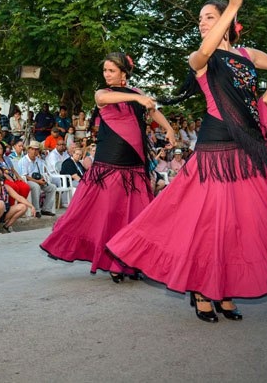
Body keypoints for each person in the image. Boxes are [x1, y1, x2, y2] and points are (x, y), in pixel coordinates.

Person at [106, 0, 267, 322]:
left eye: (209, 17)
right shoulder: (200, 58)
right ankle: (202, 290)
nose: (202, 23)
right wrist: (233, 7)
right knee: (211, 224)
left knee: (242, 224)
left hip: (248, 149)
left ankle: (224, 291)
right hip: (214, 152)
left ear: (225, 19)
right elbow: (204, 52)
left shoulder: (247, 54)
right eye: (200, 20)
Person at [41, 53, 174, 280]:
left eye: (111, 71)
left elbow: (153, 110)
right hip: (109, 164)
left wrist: (169, 128)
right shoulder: (103, 93)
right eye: (105, 70)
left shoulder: (138, 95)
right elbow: (104, 100)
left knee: (135, 215)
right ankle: (112, 260)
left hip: (134, 164)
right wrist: (137, 99)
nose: (107, 75)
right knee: (109, 214)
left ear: (124, 73)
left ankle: (131, 260)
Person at [0, 166, 31, 234]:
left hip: (3, 213)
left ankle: (7, 225)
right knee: (0, 203)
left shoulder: (5, 187)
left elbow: (19, 197)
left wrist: (31, 206)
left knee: (23, 207)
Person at [18, 141, 57, 216]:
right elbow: (25, 176)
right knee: (36, 186)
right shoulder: (23, 161)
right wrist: (38, 181)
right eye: (32, 149)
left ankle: (46, 209)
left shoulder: (39, 161)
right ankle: (36, 210)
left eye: (36, 149)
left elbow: (42, 173)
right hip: (27, 181)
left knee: (52, 187)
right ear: (28, 150)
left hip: (38, 180)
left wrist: (43, 179)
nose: (34, 151)